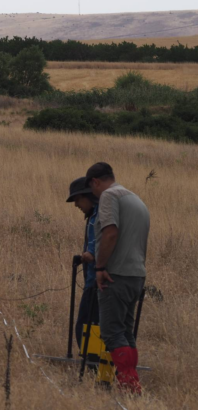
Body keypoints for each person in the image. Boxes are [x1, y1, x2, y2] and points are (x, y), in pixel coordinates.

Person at [86, 162, 150, 394]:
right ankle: (131, 385)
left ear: (95, 182)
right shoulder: (135, 199)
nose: (93, 195)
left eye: (91, 190)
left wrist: (100, 267)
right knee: (125, 331)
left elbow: (110, 232)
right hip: (136, 275)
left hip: (116, 275)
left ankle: (130, 386)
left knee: (112, 332)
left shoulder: (108, 196)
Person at [65, 176, 99, 350]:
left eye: (77, 199)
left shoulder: (99, 216)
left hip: (96, 281)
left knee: (86, 327)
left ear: (88, 196)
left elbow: (98, 246)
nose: (76, 205)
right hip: (93, 280)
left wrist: (88, 255)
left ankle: (93, 365)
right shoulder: (94, 215)